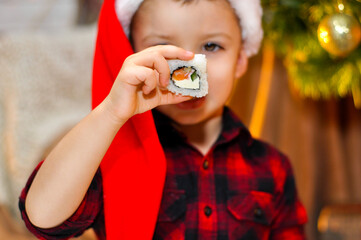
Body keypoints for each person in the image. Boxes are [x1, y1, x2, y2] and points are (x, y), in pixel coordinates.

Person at [19, 0, 308, 239]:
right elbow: (44, 219)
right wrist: (110, 113)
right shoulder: (117, 158)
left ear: (241, 59)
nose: (189, 69)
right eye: (161, 50)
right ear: (131, 57)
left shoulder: (272, 167)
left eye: (211, 46)